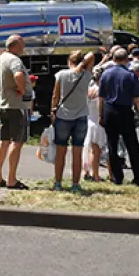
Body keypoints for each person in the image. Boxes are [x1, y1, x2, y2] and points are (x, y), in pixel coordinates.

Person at [97, 48, 139, 187]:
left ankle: (116, 176)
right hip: (125, 111)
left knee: (112, 144)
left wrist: (100, 115)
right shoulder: (130, 75)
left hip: (109, 110)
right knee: (132, 145)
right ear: (127, 60)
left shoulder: (105, 74)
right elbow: (137, 99)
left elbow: (101, 98)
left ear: (113, 59)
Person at [50, 51, 94, 191]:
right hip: (81, 116)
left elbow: (55, 95)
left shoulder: (61, 74)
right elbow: (92, 55)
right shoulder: (86, 75)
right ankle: (75, 184)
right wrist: (81, 65)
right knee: (77, 152)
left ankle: (58, 182)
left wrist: (53, 111)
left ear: (70, 61)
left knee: (60, 151)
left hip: (63, 115)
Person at [0, 35, 31, 190]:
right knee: (17, 141)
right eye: (22, 44)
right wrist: (22, 89)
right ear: (16, 45)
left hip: (3, 104)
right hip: (17, 105)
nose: (24, 48)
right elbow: (18, 75)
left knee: (4, 140)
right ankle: (12, 179)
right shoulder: (15, 60)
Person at [83, 52, 107, 183]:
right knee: (102, 151)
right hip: (99, 122)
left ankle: (91, 173)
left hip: (89, 121)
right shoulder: (102, 91)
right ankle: (100, 175)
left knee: (92, 150)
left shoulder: (89, 89)